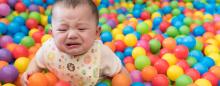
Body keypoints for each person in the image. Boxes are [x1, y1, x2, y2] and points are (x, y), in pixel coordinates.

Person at [21, 0, 128, 86]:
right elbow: (37, 61)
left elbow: (120, 72)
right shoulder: (49, 49)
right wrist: (29, 72)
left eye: (81, 29)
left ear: (96, 33)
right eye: (63, 29)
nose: (72, 35)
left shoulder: (101, 54)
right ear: (52, 33)